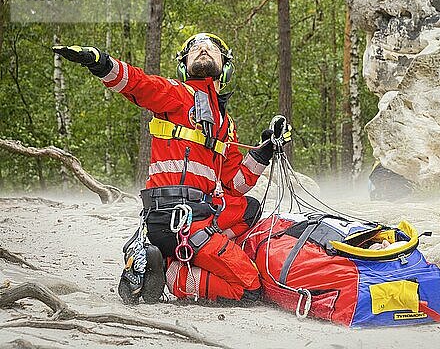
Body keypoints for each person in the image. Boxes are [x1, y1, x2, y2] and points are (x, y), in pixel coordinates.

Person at [53, 33, 291, 304]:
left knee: (250, 208)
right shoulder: (176, 95)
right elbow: (137, 84)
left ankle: (190, 255)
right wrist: (100, 62)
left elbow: (235, 184)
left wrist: (266, 150)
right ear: (184, 65)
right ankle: (172, 273)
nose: (203, 48)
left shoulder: (226, 124)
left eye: (212, 48)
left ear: (225, 66)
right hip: (176, 219)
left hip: (203, 212)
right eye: (196, 49)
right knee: (249, 288)